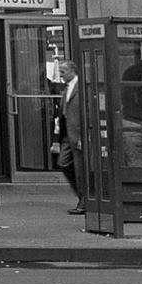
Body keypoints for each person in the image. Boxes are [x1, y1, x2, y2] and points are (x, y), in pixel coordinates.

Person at [56, 57, 86, 216]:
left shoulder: (82, 87)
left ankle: (84, 200)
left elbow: (86, 113)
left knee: (81, 169)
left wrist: (84, 135)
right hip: (67, 133)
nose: (61, 75)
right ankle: (83, 195)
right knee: (63, 163)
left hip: (78, 134)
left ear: (72, 71)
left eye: (63, 71)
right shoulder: (67, 88)